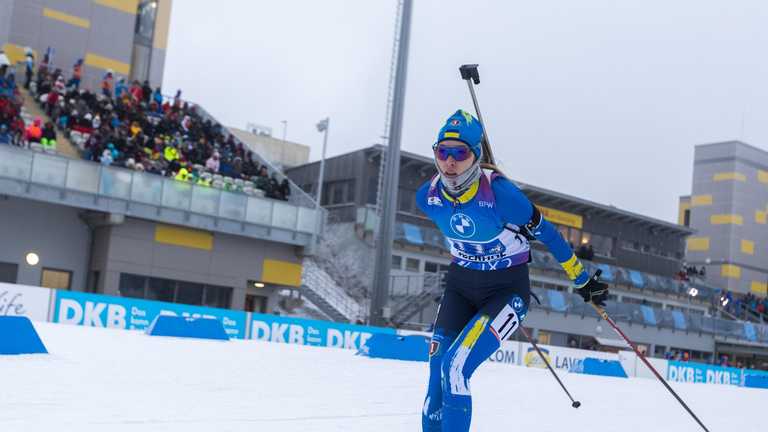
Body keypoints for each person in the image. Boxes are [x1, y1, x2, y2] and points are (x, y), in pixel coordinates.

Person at [416, 110, 608, 432]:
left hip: (505, 293)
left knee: (455, 368)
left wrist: (581, 279)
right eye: (442, 152)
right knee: (436, 374)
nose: (449, 161)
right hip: (460, 289)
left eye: (459, 152)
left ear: (475, 156)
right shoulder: (428, 196)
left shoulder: (502, 194)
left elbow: (549, 235)